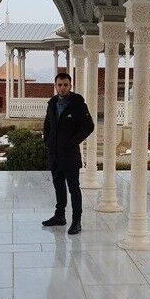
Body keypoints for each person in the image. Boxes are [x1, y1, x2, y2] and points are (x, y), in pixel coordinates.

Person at [42, 72, 94, 234]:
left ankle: (76, 221)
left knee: (73, 188)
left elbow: (89, 126)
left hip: (70, 155)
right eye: (59, 85)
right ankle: (59, 216)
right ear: (55, 86)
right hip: (54, 154)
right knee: (58, 186)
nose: (62, 88)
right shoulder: (52, 103)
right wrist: (48, 141)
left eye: (65, 85)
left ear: (70, 85)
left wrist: (73, 141)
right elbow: (47, 124)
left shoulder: (78, 104)